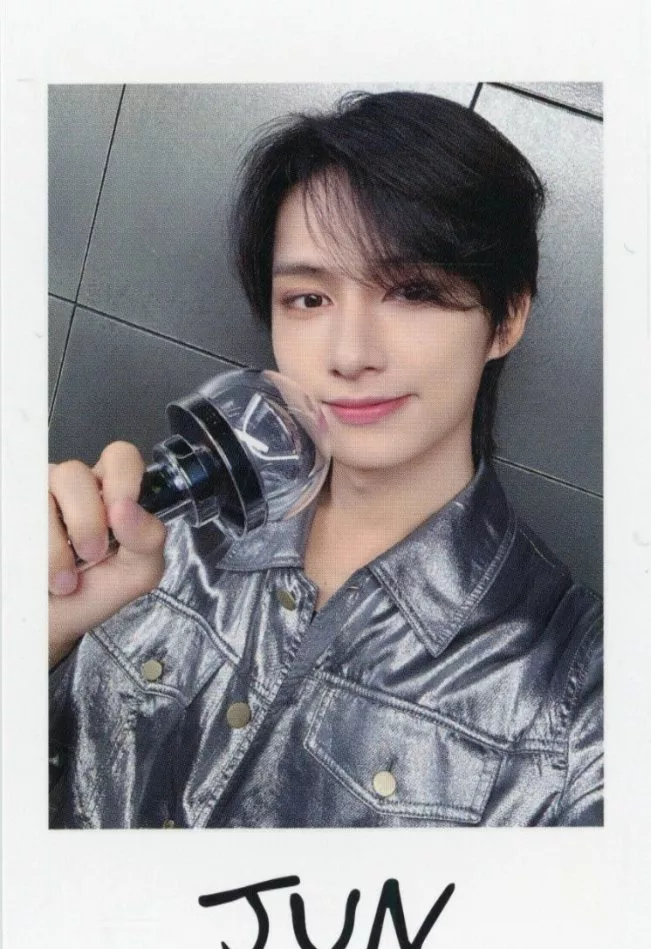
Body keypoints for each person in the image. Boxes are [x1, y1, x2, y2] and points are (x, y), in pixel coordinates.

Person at [48, 90, 603, 828]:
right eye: (308, 299)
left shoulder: (577, 695)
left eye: (413, 291)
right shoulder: (159, 533)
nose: (349, 355)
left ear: (505, 318)